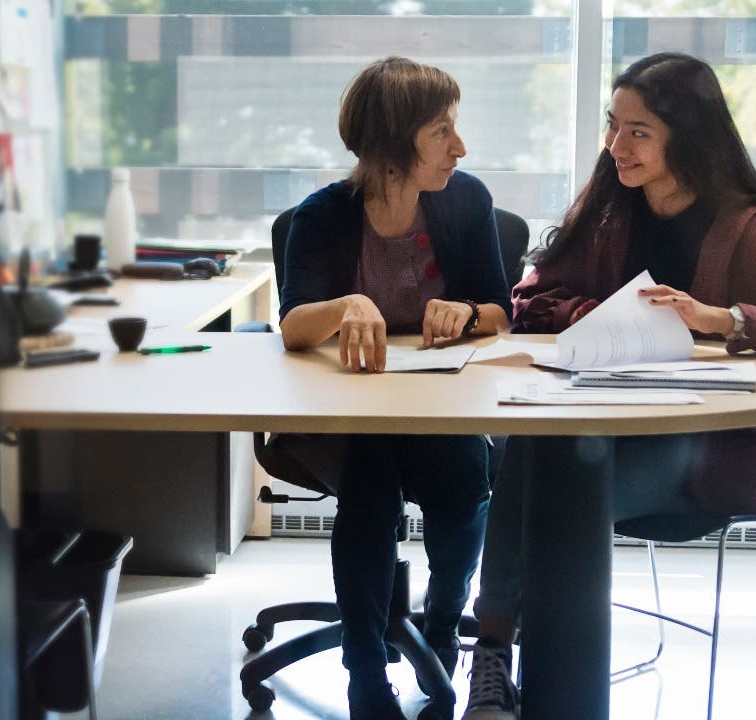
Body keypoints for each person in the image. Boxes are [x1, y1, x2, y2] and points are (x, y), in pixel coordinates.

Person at [459, 52, 756, 720]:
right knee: (539, 446)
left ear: (686, 135)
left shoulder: (751, 228)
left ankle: (501, 654)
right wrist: (597, 315)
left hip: (699, 452)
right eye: (613, 127)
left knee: (552, 484)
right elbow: (531, 298)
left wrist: (719, 319)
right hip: (595, 430)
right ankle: (507, 662)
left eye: (637, 131)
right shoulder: (614, 209)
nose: (616, 146)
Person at [278, 56, 512, 720]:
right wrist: (346, 304)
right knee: (369, 484)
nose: (459, 147)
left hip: (439, 407)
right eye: (442, 131)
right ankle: (363, 670)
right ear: (393, 141)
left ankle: (442, 622)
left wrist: (466, 313)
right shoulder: (323, 215)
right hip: (350, 411)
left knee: (466, 477)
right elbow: (295, 325)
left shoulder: (465, 201)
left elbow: (501, 311)